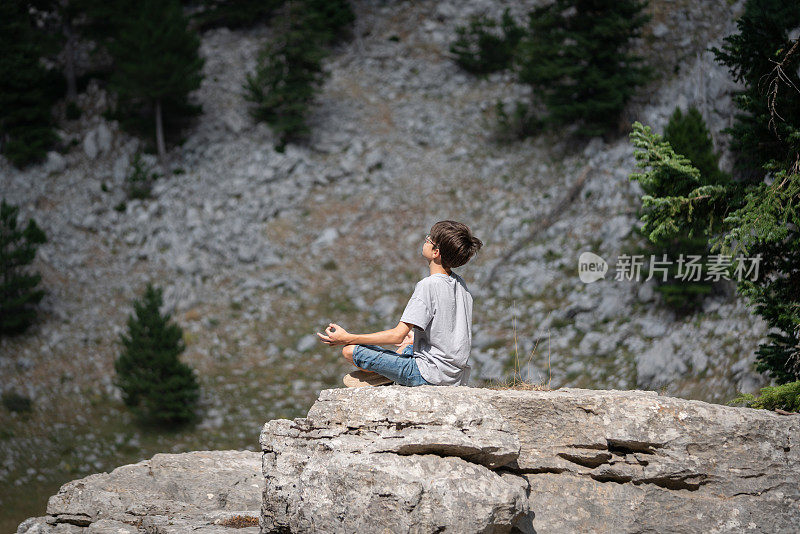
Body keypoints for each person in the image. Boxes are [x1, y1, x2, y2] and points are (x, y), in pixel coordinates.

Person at [317, 220, 483, 386]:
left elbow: (397, 335)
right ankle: (393, 370)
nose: (425, 240)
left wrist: (347, 338)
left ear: (436, 252)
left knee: (350, 351)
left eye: (429, 240)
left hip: (428, 375)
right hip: (455, 376)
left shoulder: (428, 285)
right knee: (408, 342)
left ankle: (393, 375)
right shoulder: (460, 284)